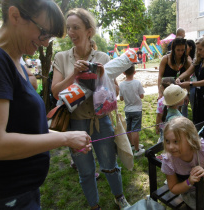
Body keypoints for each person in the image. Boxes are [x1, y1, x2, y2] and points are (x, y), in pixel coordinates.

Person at [0, 1, 91, 209]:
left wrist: (67, 139)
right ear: (15, 16)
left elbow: (23, 129)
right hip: (8, 196)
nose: (46, 43)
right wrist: (65, 137)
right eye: (43, 33)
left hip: (24, 190)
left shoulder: (16, 61)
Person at [51, 8, 130, 209]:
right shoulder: (61, 57)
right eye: (68, 28)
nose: (70, 32)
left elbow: (115, 93)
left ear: (89, 31)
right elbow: (55, 92)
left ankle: (119, 196)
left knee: (110, 166)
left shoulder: (102, 57)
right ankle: (94, 206)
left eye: (76, 27)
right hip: (75, 123)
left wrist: (103, 77)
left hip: (100, 120)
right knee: (85, 171)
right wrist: (74, 75)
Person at [176, 37, 204, 124]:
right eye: (197, 50)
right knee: (197, 117)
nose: (198, 52)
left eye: (201, 49)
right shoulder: (199, 60)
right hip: (199, 93)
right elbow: (188, 71)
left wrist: (190, 83)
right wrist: (179, 78)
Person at [119, 64, 145, 156]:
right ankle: (137, 150)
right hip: (137, 110)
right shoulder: (137, 83)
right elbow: (142, 96)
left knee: (129, 129)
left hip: (127, 110)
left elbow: (121, 98)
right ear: (134, 72)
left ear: (123, 73)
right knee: (135, 130)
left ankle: (133, 145)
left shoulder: (121, 84)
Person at [156, 77, 176, 142]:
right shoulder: (176, 99)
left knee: (163, 141)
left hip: (163, 127)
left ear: (162, 88)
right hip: (174, 125)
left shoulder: (160, 101)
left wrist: (157, 126)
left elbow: (159, 116)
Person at [182, 39, 196, 118]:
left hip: (193, 85)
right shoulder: (183, 58)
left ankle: (195, 121)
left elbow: (190, 72)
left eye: (185, 47)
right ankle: (184, 120)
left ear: (190, 47)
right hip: (184, 85)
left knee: (194, 105)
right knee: (184, 105)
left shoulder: (194, 59)